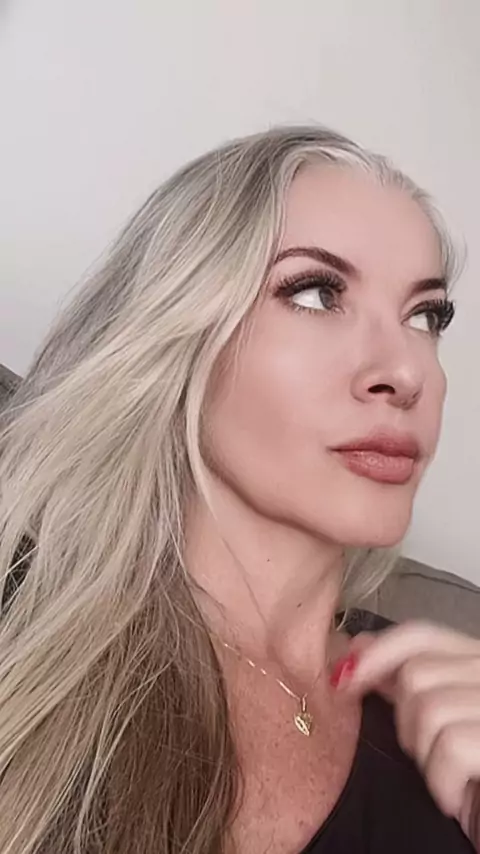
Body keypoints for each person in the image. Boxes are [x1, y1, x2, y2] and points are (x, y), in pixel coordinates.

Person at [0, 125, 478, 854]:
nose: (406, 371)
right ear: (180, 333)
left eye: (425, 316)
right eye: (316, 293)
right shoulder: (26, 630)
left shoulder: (438, 706)